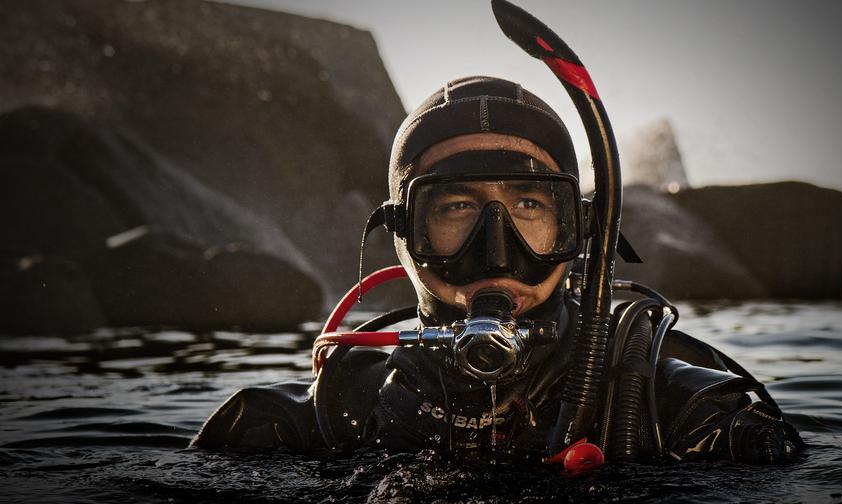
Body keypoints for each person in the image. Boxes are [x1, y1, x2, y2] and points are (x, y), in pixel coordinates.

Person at [190, 76, 803, 465]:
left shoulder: (684, 414)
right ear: (403, 233)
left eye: (531, 206)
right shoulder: (310, 421)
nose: (497, 249)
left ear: (578, 230)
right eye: (456, 207)